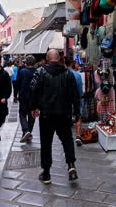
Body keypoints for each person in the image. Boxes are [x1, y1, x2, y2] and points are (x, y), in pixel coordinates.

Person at [31, 49, 81, 184]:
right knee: (67, 140)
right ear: (59, 58)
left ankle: (46, 173)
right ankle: (71, 165)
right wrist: (77, 112)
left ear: (47, 58)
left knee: (46, 143)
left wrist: (34, 107)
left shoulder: (40, 72)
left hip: (47, 115)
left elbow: (33, 89)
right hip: (64, 114)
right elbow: (75, 95)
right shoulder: (68, 74)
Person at [14, 55, 37, 142]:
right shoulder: (37, 71)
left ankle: (26, 131)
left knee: (22, 114)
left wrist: (15, 95)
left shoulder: (22, 71)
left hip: (24, 96)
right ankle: (28, 132)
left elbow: (17, 84)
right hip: (34, 98)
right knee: (32, 115)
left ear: (26, 62)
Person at [65, 57, 84, 146]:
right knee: (78, 116)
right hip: (76, 99)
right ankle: (78, 135)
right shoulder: (77, 75)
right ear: (72, 64)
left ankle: (67, 137)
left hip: (66, 100)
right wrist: (80, 97)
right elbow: (80, 89)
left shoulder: (62, 74)